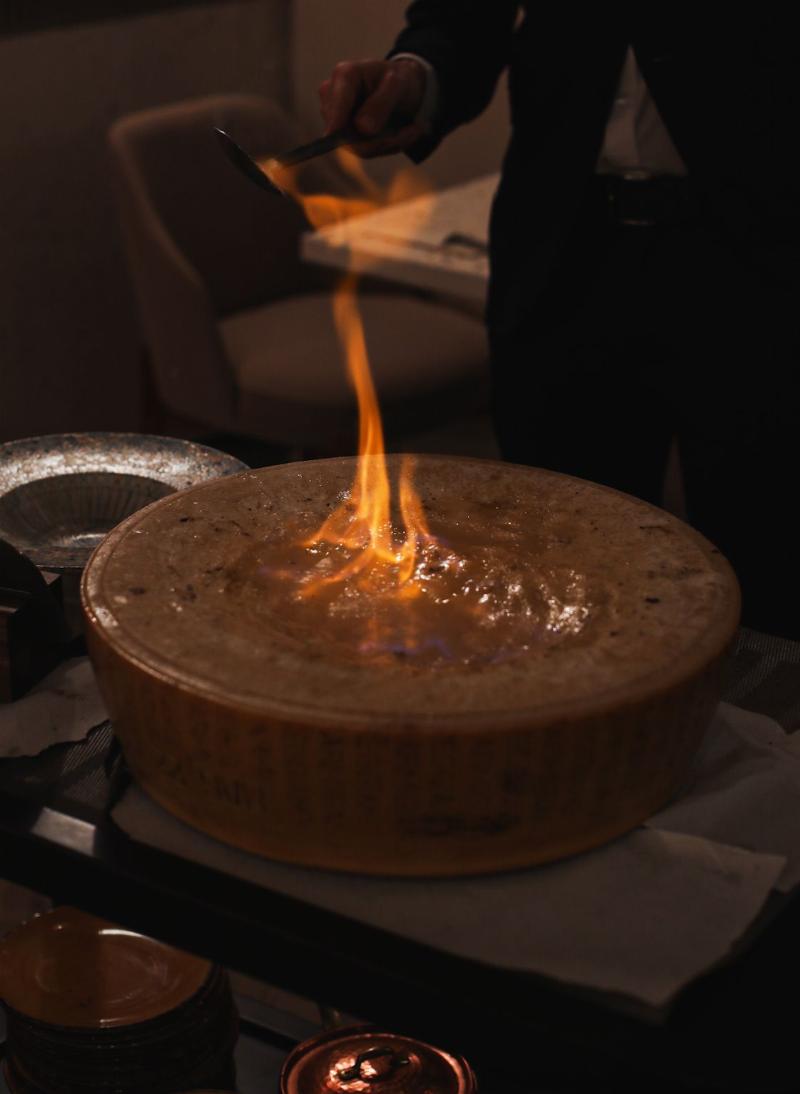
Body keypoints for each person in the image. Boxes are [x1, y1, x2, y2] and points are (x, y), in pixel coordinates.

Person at [318, 7, 799, 638]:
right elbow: (464, 18)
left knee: (764, 558)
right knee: (555, 562)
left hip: (757, 256)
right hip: (564, 254)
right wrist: (414, 75)